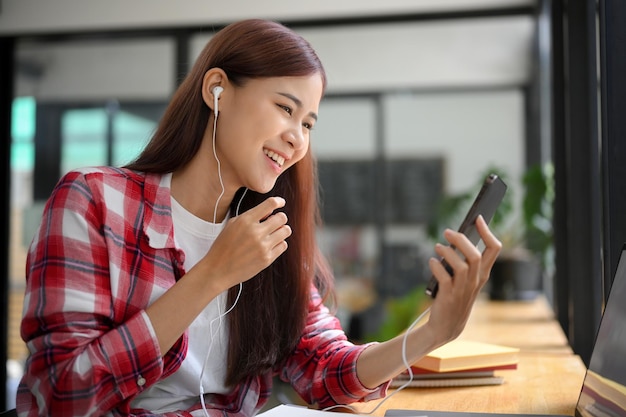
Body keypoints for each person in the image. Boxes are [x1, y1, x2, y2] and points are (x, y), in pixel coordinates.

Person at [16, 18, 502, 417]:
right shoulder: (95, 203)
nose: (297, 138)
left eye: (308, 123)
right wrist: (210, 275)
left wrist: (432, 334)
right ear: (217, 91)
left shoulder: (268, 233)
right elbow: (61, 396)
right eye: (285, 109)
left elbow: (326, 369)